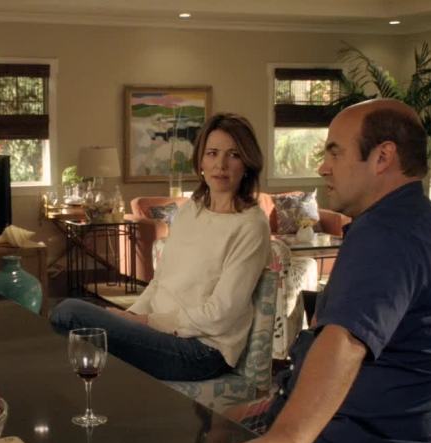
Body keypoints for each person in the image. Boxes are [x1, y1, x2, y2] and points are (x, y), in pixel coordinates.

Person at [208, 99, 431, 443]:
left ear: (382, 157)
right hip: (355, 430)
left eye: (335, 152)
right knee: (221, 423)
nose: (323, 167)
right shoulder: (418, 221)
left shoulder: (389, 234)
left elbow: (346, 342)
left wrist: (286, 439)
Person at [50, 113, 270, 381]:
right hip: (159, 333)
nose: (220, 165)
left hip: (201, 350)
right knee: (76, 315)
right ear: (201, 161)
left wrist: (145, 322)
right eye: (212, 153)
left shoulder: (251, 225)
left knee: (70, 313)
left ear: (247, 163)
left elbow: (222, 314)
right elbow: (160, 283)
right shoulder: (191, 210)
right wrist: (130, 316)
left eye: (233, 155)